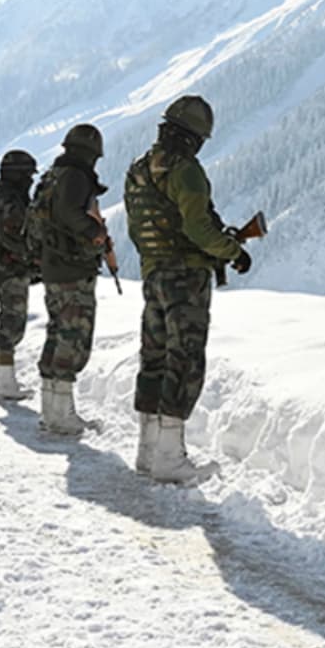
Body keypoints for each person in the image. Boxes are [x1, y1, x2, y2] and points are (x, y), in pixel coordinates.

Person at [123, 96, 249, 484]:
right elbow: (197, 229)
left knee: (155, 355)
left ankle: (147, 452)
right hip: (186, 279)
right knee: (185, 358)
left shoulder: (139, 168)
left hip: (153, 273)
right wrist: (233, 251)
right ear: (195, 137)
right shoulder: (187, 171)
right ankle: (170, 458)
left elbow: (135, 227)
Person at [30, 123, 110, 436]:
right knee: (73, 336)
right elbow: (68, 212)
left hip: (53, 265)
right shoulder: (76, 176)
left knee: (57, 331)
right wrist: (95, 234)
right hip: (72, 267)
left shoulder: (54, 175)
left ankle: (53, 411)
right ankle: (61, 415)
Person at [0, 149, 39, 400]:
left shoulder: (6, 197)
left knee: (8, 320)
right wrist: (33, 258)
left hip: (5, 265)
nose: (30, 180)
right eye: (28, 175)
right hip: (10, 266)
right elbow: (14, 237)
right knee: (12, 324)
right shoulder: (12, 202)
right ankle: (4, 384)